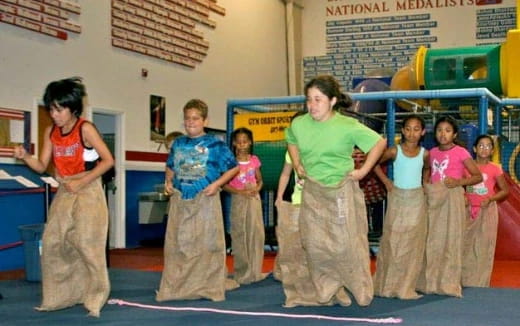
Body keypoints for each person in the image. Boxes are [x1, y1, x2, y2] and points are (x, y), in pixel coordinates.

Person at [13, 77, 114, 317]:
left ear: (73, 107)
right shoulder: (51, 131)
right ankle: (61, 295)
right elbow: (40, 166)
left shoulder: (85, 128)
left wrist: (82, 181)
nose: (54, 114)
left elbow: (108, 160)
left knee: (88, 243)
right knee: (52, 242)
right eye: (51, 109)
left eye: (59, 109)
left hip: (88, 188)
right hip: (66, 189)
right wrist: (25, 156)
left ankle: (95, 297)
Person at [285, 75, 387, 307]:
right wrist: (297, 161)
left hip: (341, 191)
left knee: (345, 244)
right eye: (309, 99)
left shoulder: (346, 125)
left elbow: (379, 143)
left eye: (318, 99)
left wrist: (363, 172)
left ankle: (358, 287)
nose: (312, 105)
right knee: (315, 243)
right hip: (313, 191)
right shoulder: (300, 124)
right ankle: (328, 289)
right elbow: (290, 138)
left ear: (332, 101)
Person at [156, 99, 240, 302]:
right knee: (180, 243)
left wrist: (217, 184)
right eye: (187, 118)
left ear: (204, 120)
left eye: (195, 118)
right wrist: (168, 180)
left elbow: (234, 167)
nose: (190, 122)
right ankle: (180, 284)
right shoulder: (178, 143)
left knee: (206, 243)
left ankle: (207, 285)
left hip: (205, 201)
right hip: (181, 203)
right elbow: (170, 166)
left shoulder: (216, 144)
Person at [417, 116, 482, 297]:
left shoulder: (461, 152)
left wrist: (459, 182)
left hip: (453, 199)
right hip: (435, 200)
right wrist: (425, 183)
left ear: (454, 134)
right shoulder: (432, 152)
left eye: (447, 130)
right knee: (432, 240)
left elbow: (478, 176)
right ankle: (430, 282)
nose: (443, 134)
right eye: (439, 130)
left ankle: (449, 282)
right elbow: (427, 170)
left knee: (452, 240)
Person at [372, 114, 430, 299]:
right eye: (408, 129)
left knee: (412, 242)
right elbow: (373, 164)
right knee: (393, 239)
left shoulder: (425, 154)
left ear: (422, 132)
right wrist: (386, 182)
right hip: (398, 198)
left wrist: (424, 182)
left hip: (416, 199)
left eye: (416, 129)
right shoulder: (394, 151)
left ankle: (406, 285)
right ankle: (388, 284)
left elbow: (427, 168)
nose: (412, 133)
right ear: (403, 131)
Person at [462, 135, 509, 287]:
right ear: (474, 149)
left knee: (484, 246)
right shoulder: (467, 167)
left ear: (492, 150)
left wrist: (490, 199)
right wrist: (463, 196)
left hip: (487, 210)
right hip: (467, 211)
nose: (484, 149)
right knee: (465, 244)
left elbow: (505, 190)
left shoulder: (495, 169)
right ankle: (464, 278)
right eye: (481, 145)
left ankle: (481, 282)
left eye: (488, 146)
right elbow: (460, 185)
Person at [223, 127, 267, 284]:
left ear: (250, 143)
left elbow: (260, 180)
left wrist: (256, 189)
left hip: (253, 200)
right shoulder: (230, 161)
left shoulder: (254, 160)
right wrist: (240, 192)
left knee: (256, 233)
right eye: (239, 142)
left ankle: (255, 271)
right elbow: (224, 184)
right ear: (234, 143)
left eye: (245, 142)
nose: (242, 145)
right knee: (240, 233)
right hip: (239, 201)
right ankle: (242, 271)